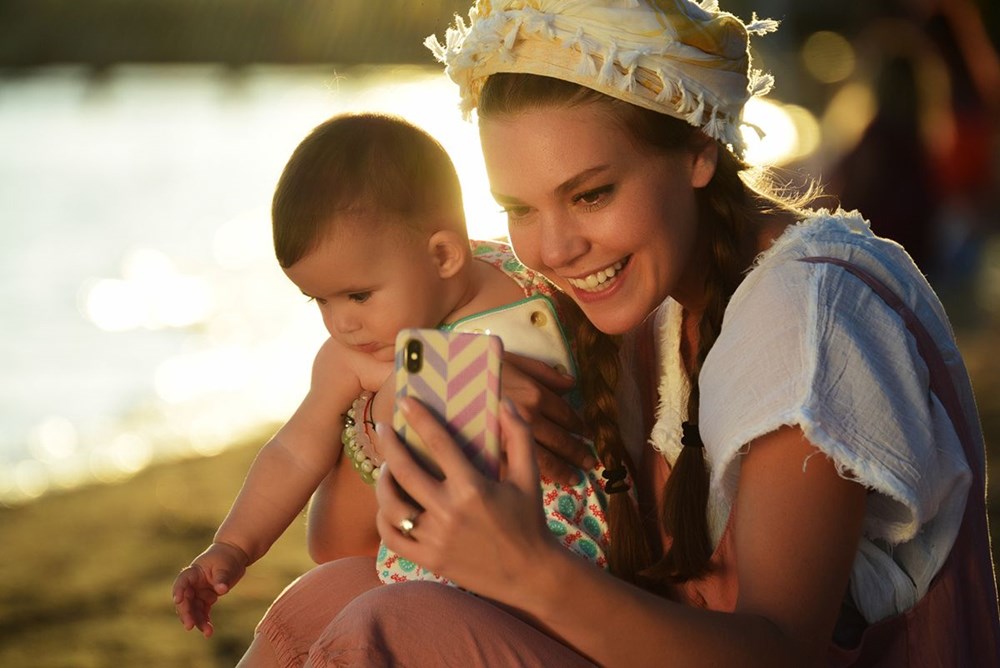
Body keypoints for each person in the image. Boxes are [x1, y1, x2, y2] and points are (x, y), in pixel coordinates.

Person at [238, 1, 1000, 665]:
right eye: (521, 208)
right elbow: (344, 552)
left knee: (387, 624)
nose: (556, 248)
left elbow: (779, 653)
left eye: (592, 193)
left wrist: (527, 568)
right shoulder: (610, 301)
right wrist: (411, 399)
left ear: (699, 149)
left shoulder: (805, 318)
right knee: (320, 603)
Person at [173, 111, 622, 639]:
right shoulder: (359, 355)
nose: (341, 322)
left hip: (592, 565)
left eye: (359, 294)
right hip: (465, 579)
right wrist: (234, 546)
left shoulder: (531, 275)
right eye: (319, 299)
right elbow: (295, 450)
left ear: (444, 254)